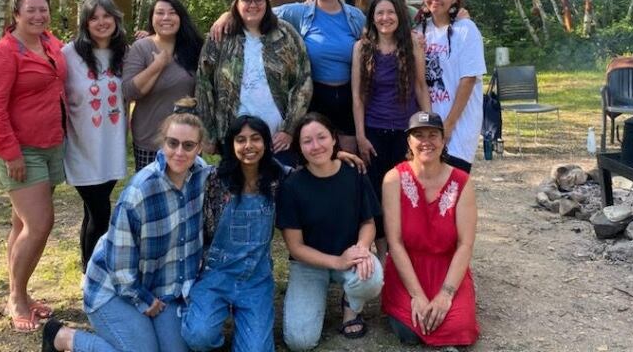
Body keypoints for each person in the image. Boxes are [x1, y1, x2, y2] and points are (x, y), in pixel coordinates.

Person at [42, 98, 209, 352]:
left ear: (200, 148)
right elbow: (118, 265)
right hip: (115, 288)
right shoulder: (139, 191)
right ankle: (63, 337)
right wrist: (142, 300)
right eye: (172, 143)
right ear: (162, 142)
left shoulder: (202, 176)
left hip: (163, 287)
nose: (179, 152)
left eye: (188, 145)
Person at [208, 0, 365, 153]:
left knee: (348, 155)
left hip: (347, 95)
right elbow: (257, 9)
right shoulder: (299, 12)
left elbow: (375, 40)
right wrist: (227, 15)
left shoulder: (355, 16)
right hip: (315, 94)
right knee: (316, 152)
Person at [0, 0, 67, 332]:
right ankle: (16, 298)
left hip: (51, 144)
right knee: (39, 224)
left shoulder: (50, 44)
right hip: (21, 150)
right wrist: (11, 153)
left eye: (43, 10)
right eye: (30, 10)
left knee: (21, 222)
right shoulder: (3, 53)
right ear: (15, 14)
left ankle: (22, 291)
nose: (38, 16)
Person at [181, 115, 290, 352]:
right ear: (231, 144)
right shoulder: (212, 179)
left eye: (256, 139)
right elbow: (177, 168)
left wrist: (336, 157)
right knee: (198, 337)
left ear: (266, 143)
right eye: (240, 140)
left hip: (256, 279)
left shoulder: (278, 177)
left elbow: (310, 175)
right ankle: (206, 318)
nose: (248, 146)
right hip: (215, 275)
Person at [277, 113, 383, 350]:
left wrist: (363, 249)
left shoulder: (354, 173)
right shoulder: (292, 186)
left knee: (372, 276)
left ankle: (350, 306)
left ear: (334, 139)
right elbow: (295, 247)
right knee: (299, 342)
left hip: (350, 254)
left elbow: (368, 222)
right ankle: (314, 296)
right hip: (309, 265)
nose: (316, 146)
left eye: (321, 137)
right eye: (307, 141)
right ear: (299, 147)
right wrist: (337, 261)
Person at [381, 111, 479, 347]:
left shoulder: (462, 182)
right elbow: (394, 242)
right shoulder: (393, 179)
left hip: (447, 269)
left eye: (433, 135)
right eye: (419, 135)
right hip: (408, 269)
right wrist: (417, 295)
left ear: (443, 140)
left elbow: (465, 244)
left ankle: (453, 299)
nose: (426, 141)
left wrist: (446, 294)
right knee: (410, 331)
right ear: (409, 142)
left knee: (458, 328)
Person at [196, 0, 312, 163]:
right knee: (237, 191)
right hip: (234, 139)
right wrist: (208, 134)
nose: (253, 5)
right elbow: (204, 85)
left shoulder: (286, 34)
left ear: (266, 3)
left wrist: (289, 129)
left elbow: (302, 81)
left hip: (278, 141)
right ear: (236, 3)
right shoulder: (220, 36)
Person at [351, 0, 430, 263]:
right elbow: (358, 96)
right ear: (372, 18)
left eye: (391, 13)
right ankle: (383, 253)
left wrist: (429, 129)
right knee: (377, 194)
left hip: (405, 132)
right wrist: (360, 135)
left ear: (399, 16)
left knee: (405, 193)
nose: (385, 18)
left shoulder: (411, 44)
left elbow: (420, 87)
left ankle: (404, 251)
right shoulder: (362, 48)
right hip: (373, 132)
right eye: (380, 13)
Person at [62, 0, 129, 272]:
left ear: (116, 19)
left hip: (112, 148)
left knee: (92, 213)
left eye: (107, 16)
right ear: (85, 24)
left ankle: (86, 269)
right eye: (94, 18)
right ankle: (93, 273)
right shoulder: (68, 55)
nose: (101, 22)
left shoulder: (126, 53)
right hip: (81, 148)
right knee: (101, 213)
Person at [124, 0, 203, 171]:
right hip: (150, 140)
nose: (166, 17)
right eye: (160, 13)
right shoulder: (141, 48)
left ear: (181, 18)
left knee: (188, 194)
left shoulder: (194, 48)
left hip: (187, 140)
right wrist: (157, 65)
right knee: (153, 194)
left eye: (172, 13)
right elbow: (129, 92)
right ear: (152, 18)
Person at [418, 0, 486, 172]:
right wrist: (431, 124)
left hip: (458, 125)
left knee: (452, 187)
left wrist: (448, 125)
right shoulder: (420, 31)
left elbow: (468, 80)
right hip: (430, 126)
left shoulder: (466, 29)